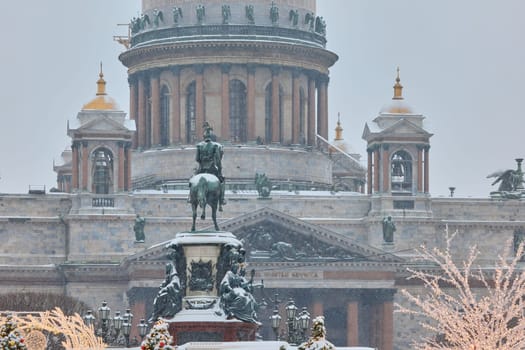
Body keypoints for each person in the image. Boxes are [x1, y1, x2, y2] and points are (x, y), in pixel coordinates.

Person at [195, 122, 226, 207]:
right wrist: (219, 169)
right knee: (221, 182)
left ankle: (190, 198)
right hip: (212, 168)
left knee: (192, 182)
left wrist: (202, 161)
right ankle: (222, 199)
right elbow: (218, 159)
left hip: (202, 169)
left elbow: (197, 159)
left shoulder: (199, 146)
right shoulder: (216, 146)